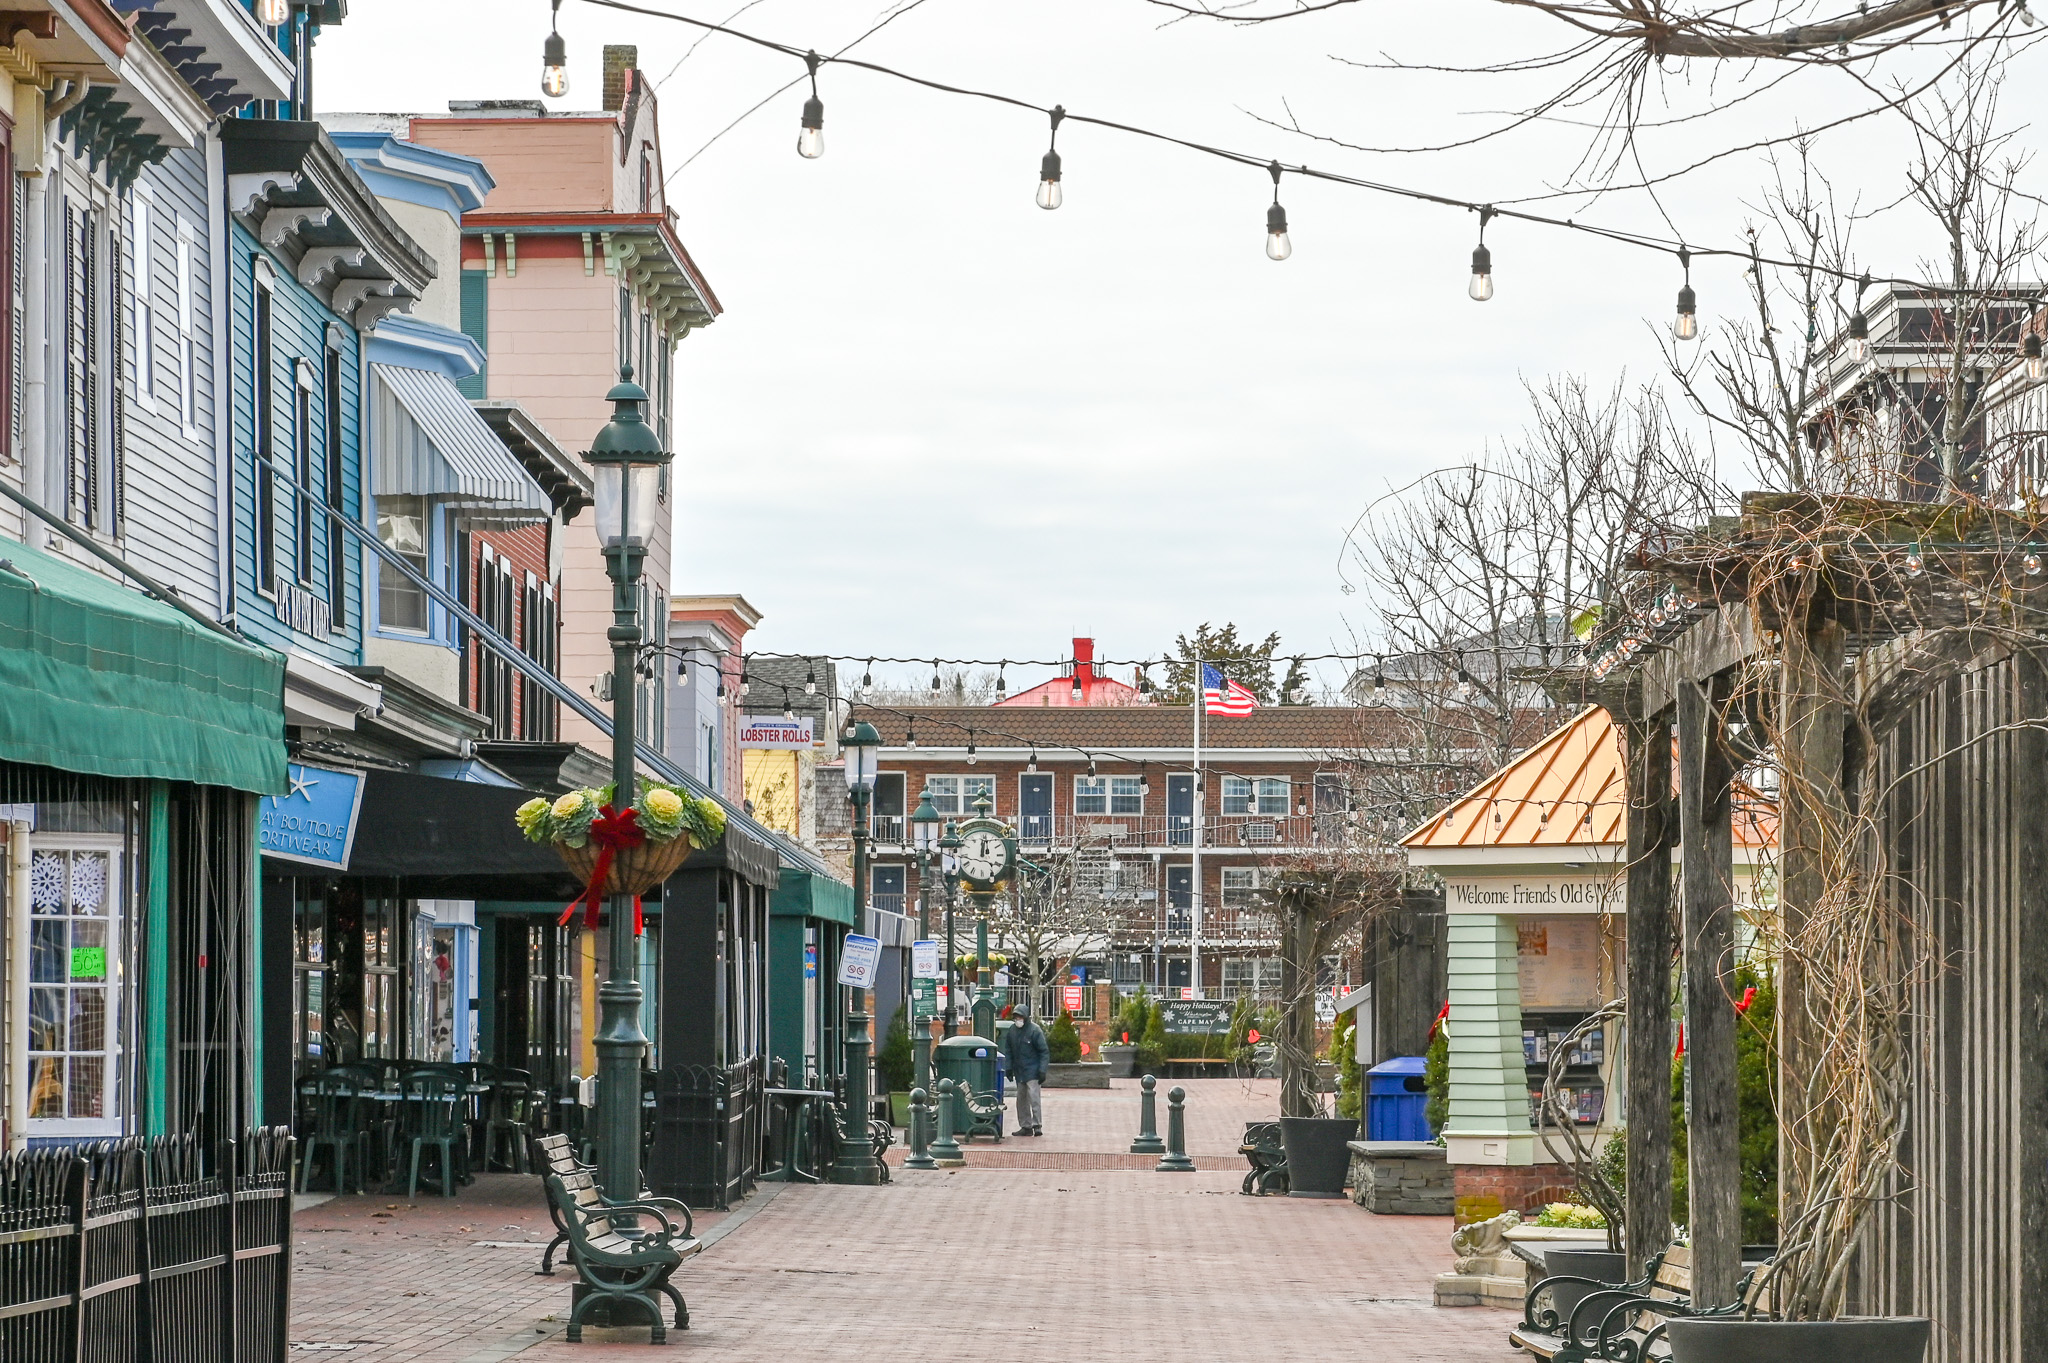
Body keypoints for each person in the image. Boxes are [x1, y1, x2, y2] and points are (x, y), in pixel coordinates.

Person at [1001, 1003, 1050, 1136]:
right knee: (1021, 1099)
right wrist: (1009, 1068)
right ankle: (1025, 1125)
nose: (1018, 1019)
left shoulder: (1035, 1031)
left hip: (1033, 1070)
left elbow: (1043, 1052)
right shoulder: (1012, 1031)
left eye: (1020, 1016)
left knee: (1034, 1098)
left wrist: (1042, 1070)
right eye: (1016, 1017)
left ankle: (1037, 1125)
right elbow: (1009, 1050)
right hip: (1020, 1071)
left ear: (1026, 1017)